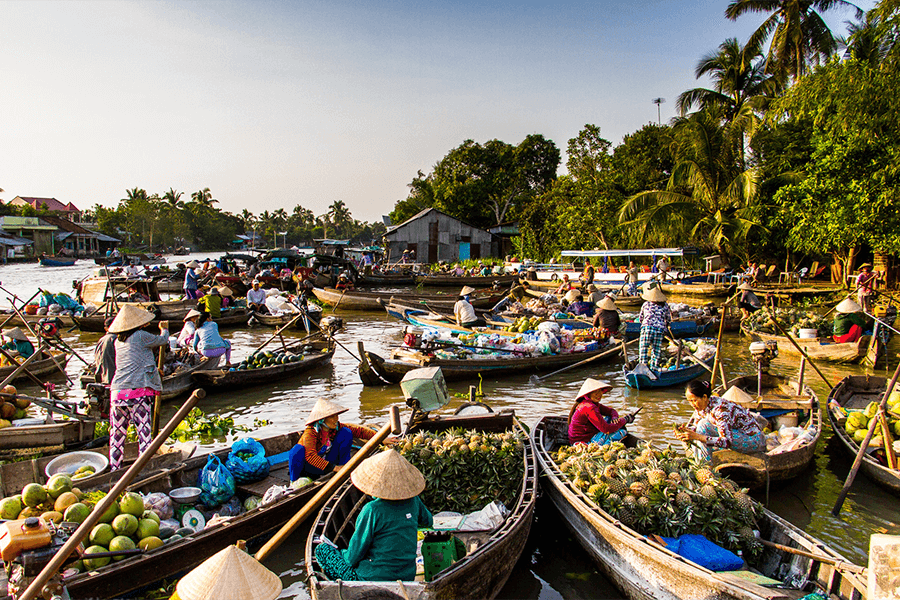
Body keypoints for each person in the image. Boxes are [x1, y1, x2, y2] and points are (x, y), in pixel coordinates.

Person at [314, 448, 432, 582]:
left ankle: (342, 584)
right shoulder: (413, 501)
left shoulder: (372, 510)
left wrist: (342, 553)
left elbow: (352, 557)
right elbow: (428, 521)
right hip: (406, 576)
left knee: (322, 550)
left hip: (370, 578)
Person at [108, 305, 169, 470]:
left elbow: (134, 360)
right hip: (137, 392)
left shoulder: (118, 341)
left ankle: (115, 467)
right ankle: (143, 468)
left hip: (117, 392)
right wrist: (164, 329)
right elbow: (163, 340)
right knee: (144, 433)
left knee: (117, 434)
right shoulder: (141, 336)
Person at [674, 379, 766, 462]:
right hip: (736, 435)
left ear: (705, 397)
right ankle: (701, 465)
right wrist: (686, 432)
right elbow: (696, 428)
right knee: (700, 427)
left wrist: (697, 436)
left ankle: (705, 467)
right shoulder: (701, 408)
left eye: (694, 400)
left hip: (754, 441)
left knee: (703, 426)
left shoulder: (721, 410)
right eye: (689, 401)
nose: (692, 404)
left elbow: (726, 442)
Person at [289, 398, 377, 481]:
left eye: (336, 415)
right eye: (332, 417)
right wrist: (335, 468)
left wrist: (379, 437)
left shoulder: (335, 427)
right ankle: (294, 482)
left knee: (346, 432)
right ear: (322, 420)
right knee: (297, 451)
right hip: (310, 468)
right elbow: (310, 456)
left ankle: (345, 467)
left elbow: (358, 430)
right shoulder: (311, 432)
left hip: (327, 463)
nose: (336, 419)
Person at [567, 378, 635, 445]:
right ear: (588, 394)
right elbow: (606, 429)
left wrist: (615, 418)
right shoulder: (589, 407)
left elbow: (611, 411)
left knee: (609, 417)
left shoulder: (592, 404)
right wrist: (625, 420)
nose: (599, 395)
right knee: (622, 432)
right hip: (582, 442)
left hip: (589, 434)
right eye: (595, 393)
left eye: (599, 392)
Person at [638, 286, 671, 369]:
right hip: (660, 329)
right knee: (656, 351)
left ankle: (643, 367)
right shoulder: (665, 305)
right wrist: (665, 327)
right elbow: (668, 319)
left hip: (647, 328)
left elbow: (641, 318)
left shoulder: (646, 304)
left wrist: (644, 325)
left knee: (643, 349)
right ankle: (654, 367)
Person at [92, 317, 117, 384]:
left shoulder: (101, 340)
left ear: (106, 329)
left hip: (101, 376)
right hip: (112, 378)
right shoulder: (115, 339)